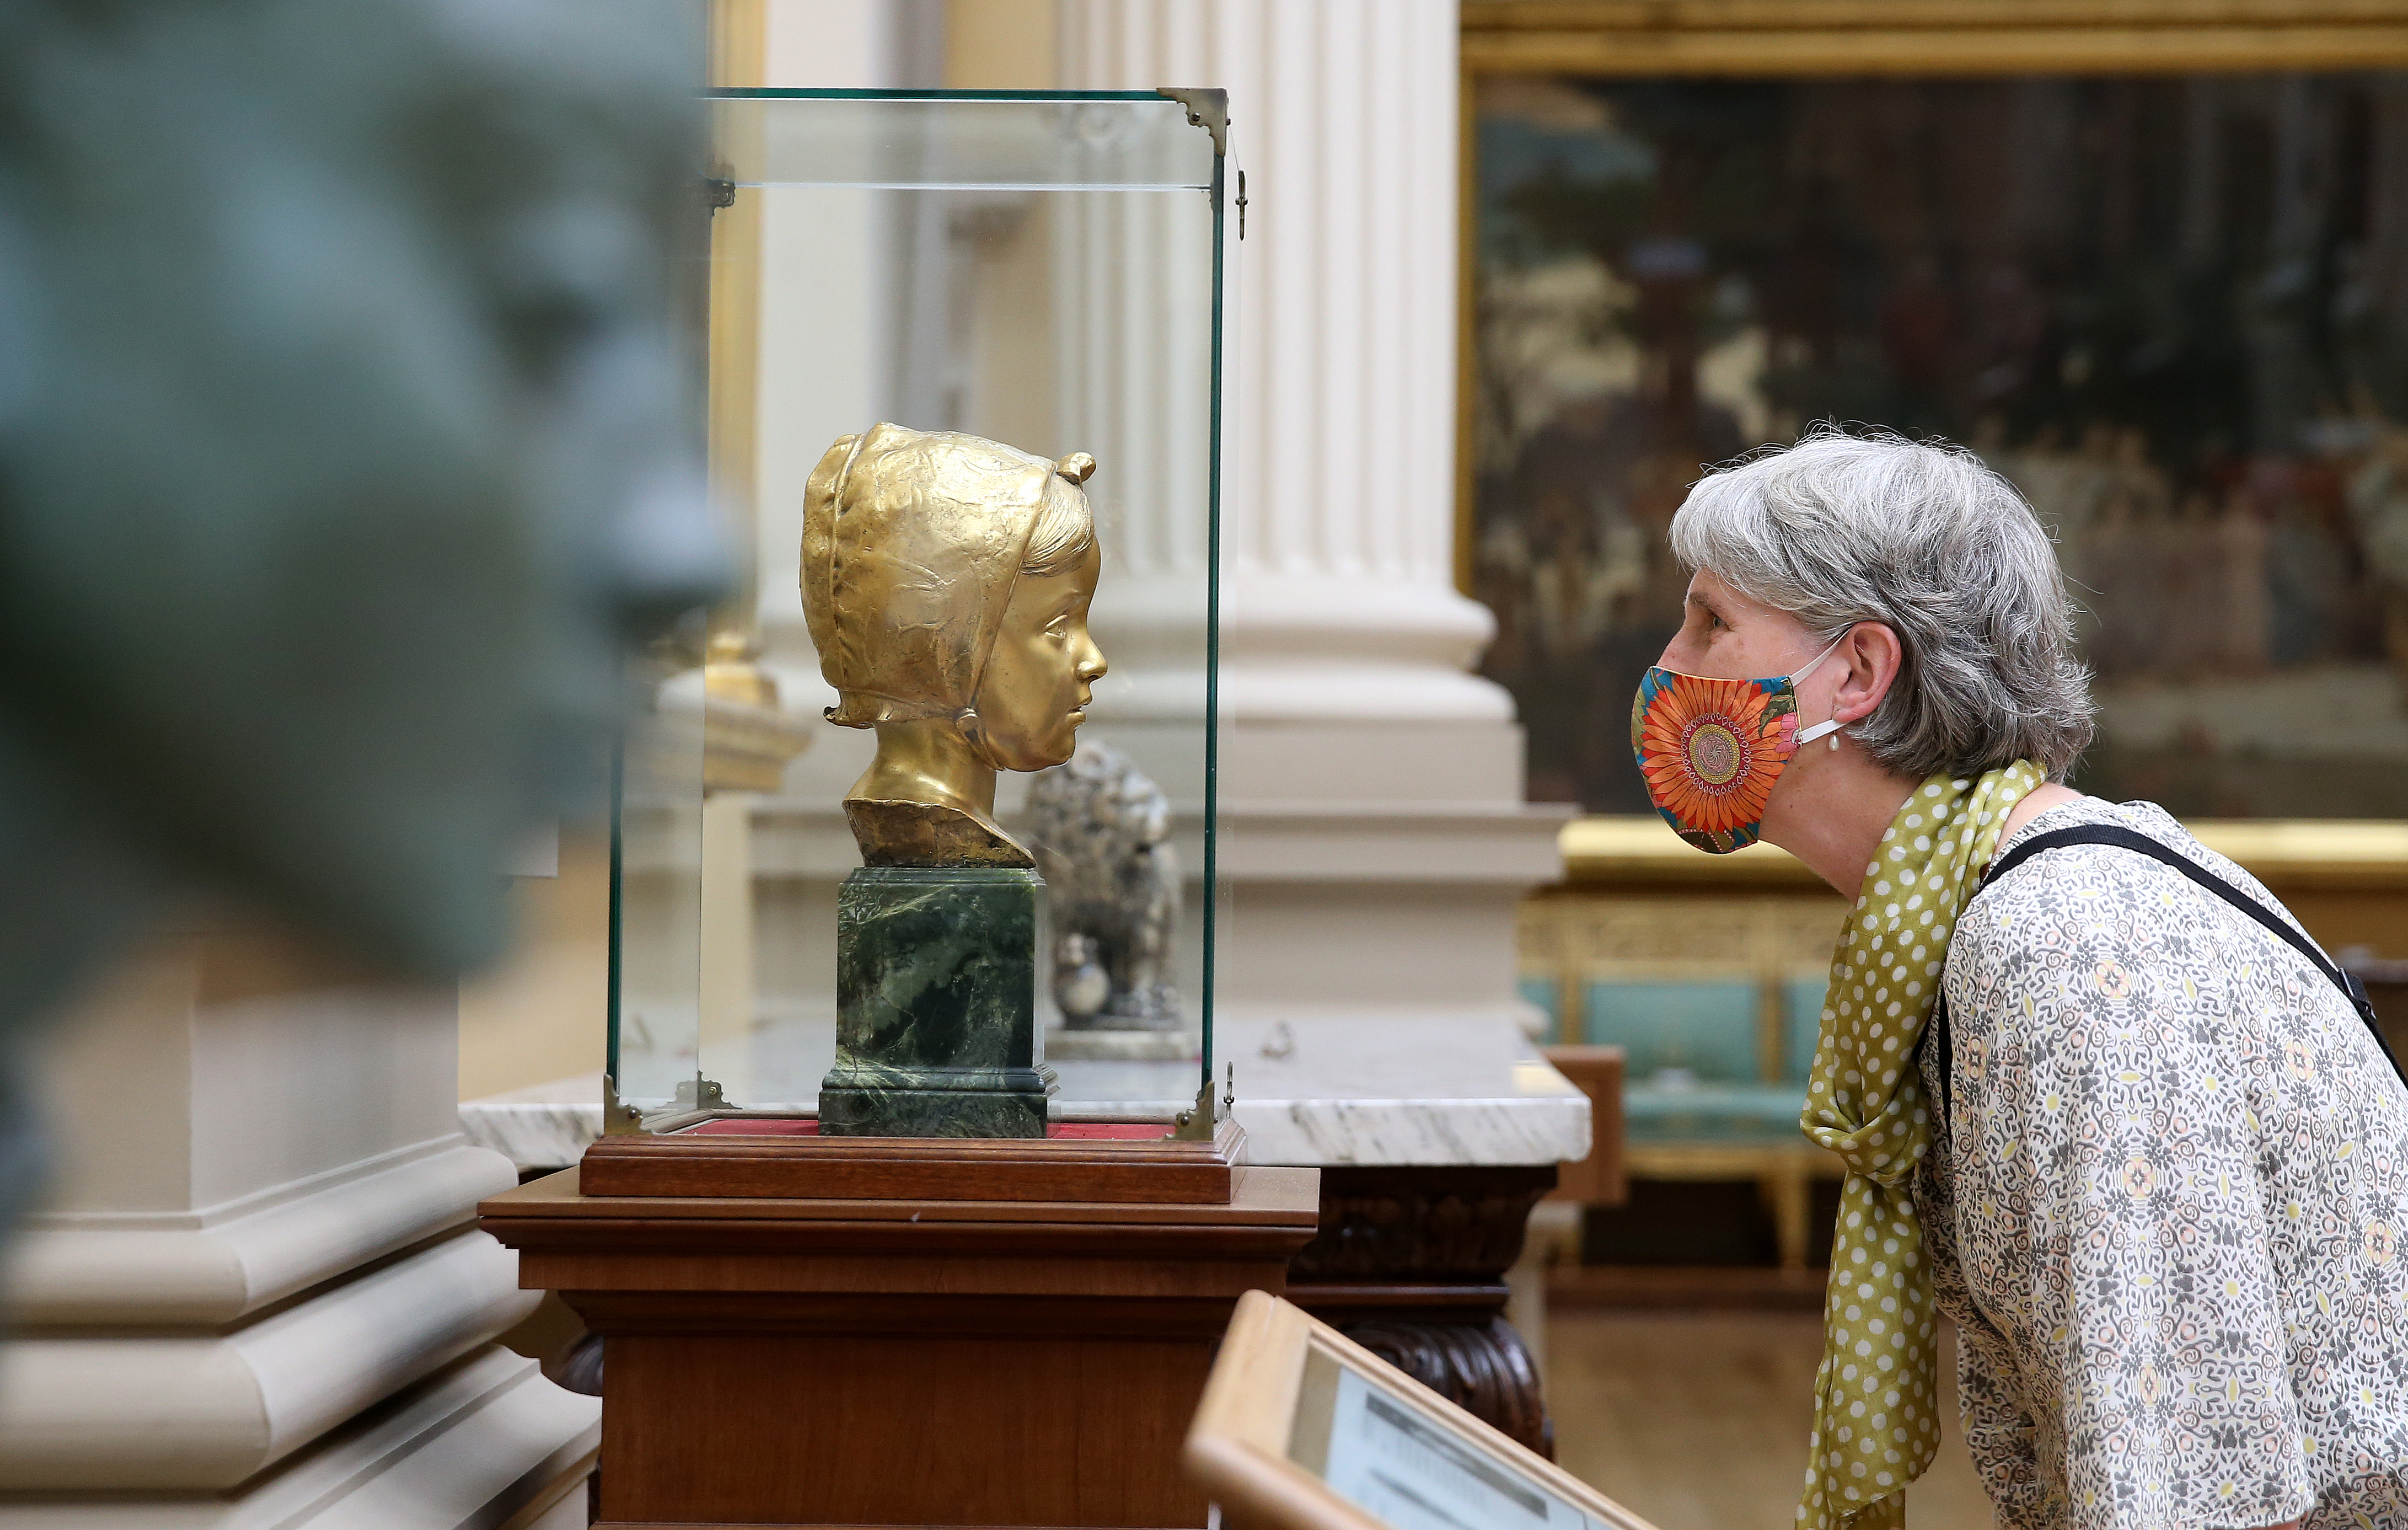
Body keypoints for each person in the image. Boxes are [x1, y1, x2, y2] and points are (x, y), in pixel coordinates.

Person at [1632, 428, 2408, 1530]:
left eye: (1711, 619)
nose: (1671, 661)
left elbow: (2191, 1497)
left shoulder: (2067, 946)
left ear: (1854, 672)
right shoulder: (1992, 903)